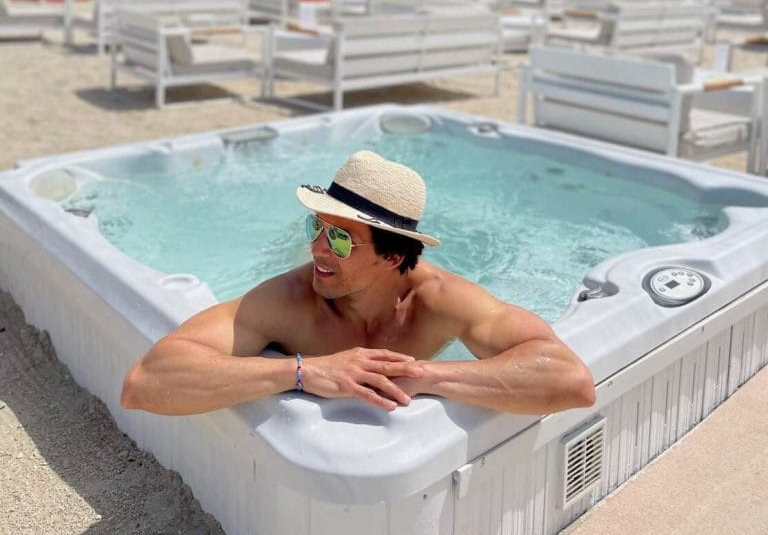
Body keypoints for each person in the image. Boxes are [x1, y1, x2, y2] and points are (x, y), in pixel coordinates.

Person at [121, 150, 595, 416]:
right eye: (315, 228)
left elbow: (571, 379)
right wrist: (303, 371)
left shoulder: (441, 299)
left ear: (392, 256)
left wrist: (422, 375)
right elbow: (146, 382)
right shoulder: (287, 300)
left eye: (342, 240)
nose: (318, 250)